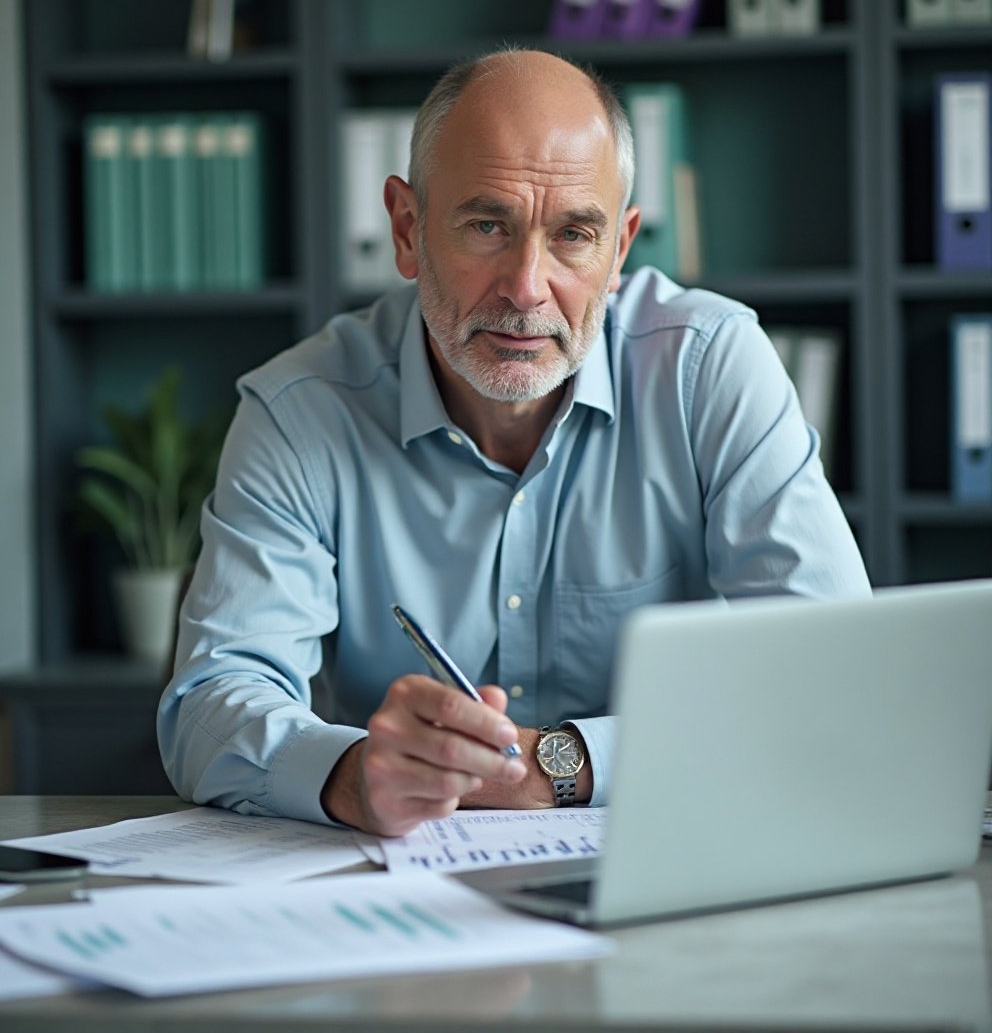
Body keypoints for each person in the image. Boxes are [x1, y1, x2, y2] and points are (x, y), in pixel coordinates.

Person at [158, 47, 870, 837]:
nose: (527, 287)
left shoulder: (710, 368)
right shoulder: (301, 411)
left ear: (620, 250)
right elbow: (210, 705)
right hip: (404, 895)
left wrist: (561, 767)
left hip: (675, 866)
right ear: (406, 228)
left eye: (573, 234)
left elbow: (835, 679)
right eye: (487, 224)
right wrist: (355, 777)